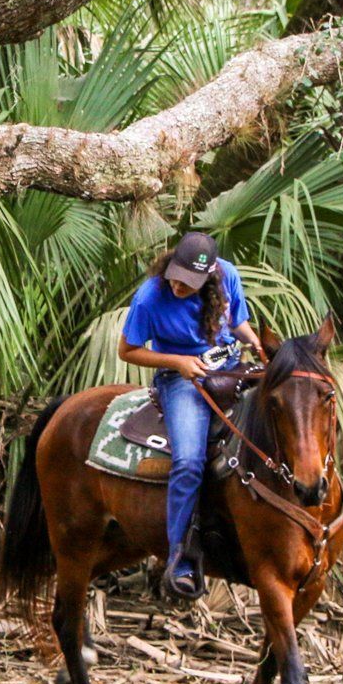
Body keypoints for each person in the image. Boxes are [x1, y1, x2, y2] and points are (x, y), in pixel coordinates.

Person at [118, 231, 264, 599]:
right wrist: (178, 362)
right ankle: (179, 557)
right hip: (183, 380)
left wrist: (256, 343)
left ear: (211, 275)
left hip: (230, 368)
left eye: (191, 283)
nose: (181, 286)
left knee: (294, 410)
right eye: (178, 277)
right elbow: (128, 350)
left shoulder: (228, 275)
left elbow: (237, 322)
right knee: (188, 461)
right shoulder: (150, 297)